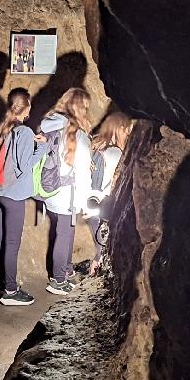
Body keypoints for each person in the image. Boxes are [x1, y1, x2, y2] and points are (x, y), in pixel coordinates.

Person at [0, 88, 47, 305]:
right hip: (14, 195)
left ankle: (0, 282)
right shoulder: (23, 131)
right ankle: (10, 291)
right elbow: (25, 165)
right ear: (27, 107)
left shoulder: (3, 127)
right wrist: (42, 147)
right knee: (12, 242)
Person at [39, 88, 94, 295]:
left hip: (51, 190)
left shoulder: (50, 127)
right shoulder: (78, 136)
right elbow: (83, 172)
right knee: (64, 234)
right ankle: (58, 280)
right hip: (68, 194)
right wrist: (87, 202)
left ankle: (66, 269)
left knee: (64, 231)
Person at [86, 111, 133, 274]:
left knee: (99, 249)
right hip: (102, 207)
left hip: (91, 204)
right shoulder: (115, 153)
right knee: (102, 251)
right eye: (127, 131)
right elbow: (115, 185)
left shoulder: (96, 147)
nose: (128, 135)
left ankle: (93, 275)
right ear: (120, 129)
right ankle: (94, 277)